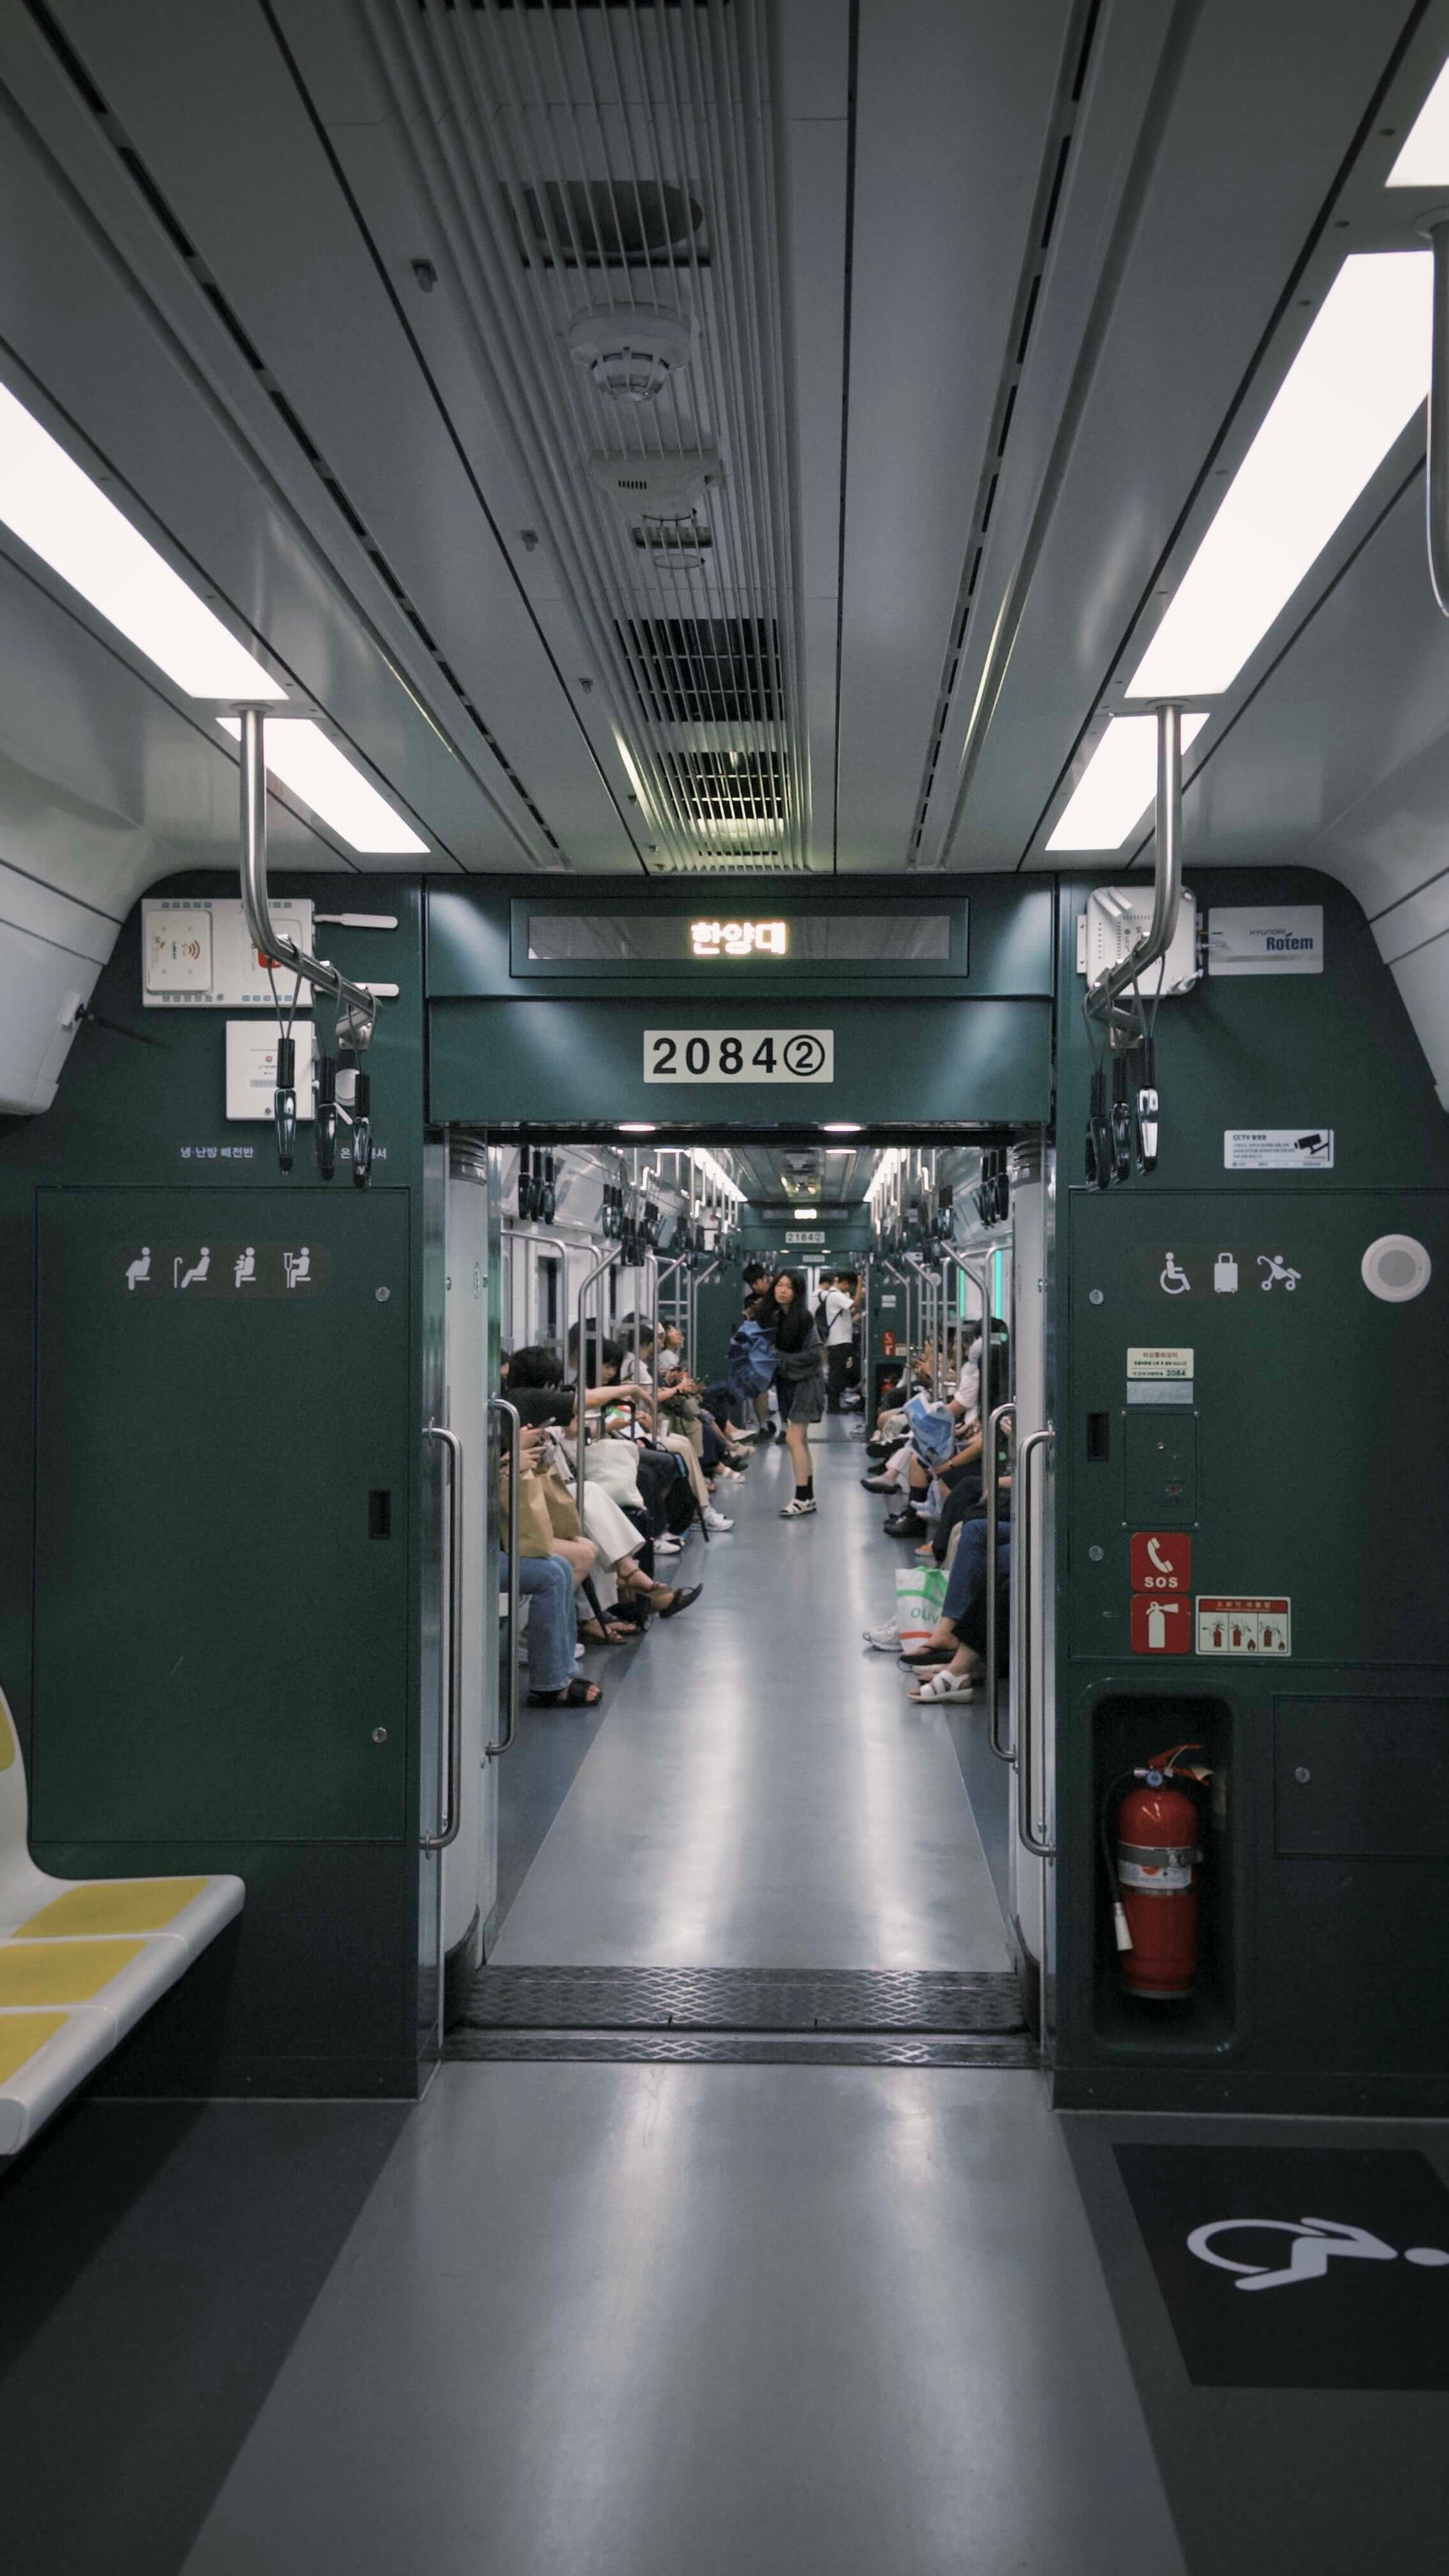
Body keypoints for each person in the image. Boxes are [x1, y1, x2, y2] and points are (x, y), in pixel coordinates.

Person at [767, 1270, 826, 1517]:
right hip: (790, 1384)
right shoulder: (777, 1317)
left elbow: (814, 1355)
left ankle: (801, 1497)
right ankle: (808, 1497)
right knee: (800, 1441)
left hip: (806, 1384)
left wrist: (780, 1358)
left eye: (789, 1287)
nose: (782, 1291)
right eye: (779, 1285)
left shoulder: (803, 1318)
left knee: (793, 1439)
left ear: (797, 1292)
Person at [820, 1271, 857, 1413]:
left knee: (838, 1373)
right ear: (843, 1283)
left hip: (840, 1340)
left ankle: (834, 1405)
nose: (848, 1288)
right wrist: (860, 1284)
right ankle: (833, 1407)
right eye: (848, 1285)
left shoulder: (837, 1295)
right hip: (838, 1341)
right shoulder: (835, 1295)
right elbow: (856, 1304)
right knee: (836, 1375)